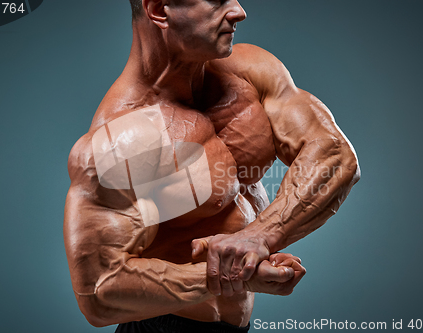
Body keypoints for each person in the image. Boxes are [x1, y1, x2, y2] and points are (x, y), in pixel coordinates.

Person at [63, 0, 361, 332]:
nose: (238, 11)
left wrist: (259, 236)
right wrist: (234, 275)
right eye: (217, 1)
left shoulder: (251, 71)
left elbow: (334, 155)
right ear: (160, 10)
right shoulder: (120, 140)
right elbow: (100, 291)